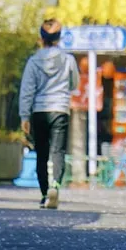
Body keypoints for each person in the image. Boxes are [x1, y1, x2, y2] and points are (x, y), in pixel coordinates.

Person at [19, 18, 79, 209]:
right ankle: (56, 186)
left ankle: (45, 193)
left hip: (39, 110)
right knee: (58, 151)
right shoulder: (68, 60)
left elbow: (27, 90)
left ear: (41, 38)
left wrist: (24, 116)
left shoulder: (33, 61)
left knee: (42, 154)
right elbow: (74, 83)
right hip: (60, 108)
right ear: (59, 38)